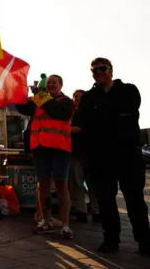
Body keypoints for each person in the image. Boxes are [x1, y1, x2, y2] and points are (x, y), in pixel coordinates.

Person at [76, 58, 150, 255]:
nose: (98, 72)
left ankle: (144, 240)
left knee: (135, 200)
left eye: (102, 69)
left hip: (128, 155)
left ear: (111, 70)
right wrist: (113, 115)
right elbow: (85, 122)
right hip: (100, 157)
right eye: (94, 70)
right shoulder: (89, 97)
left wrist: (99, 116)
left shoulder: (128, 90)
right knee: (106, 201)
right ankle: (111, 239)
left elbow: (130, 109)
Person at [16, 75, 74, 239]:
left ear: (60, 85)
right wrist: (18, 91)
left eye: (53, 83)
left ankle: (65, 224)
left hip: (60, 150)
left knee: (62, 186)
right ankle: (46, 221)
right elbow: (21, 107)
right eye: (48, 83)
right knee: (43, 186)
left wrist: (40, 95)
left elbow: (57, 111)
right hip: (40, 150)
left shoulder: (67, 102)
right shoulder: (37, 102)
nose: (50, 85)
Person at [68, 90, 99, 223]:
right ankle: (81, 210)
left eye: (80, 97)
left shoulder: (91, 113)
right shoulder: (71, 113)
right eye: (75, 97)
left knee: (92, 184)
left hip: (91, 153)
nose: (77, 99)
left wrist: (65, 129)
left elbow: (77, 129)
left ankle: (96, 210)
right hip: (75, 152)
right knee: (76, 182)